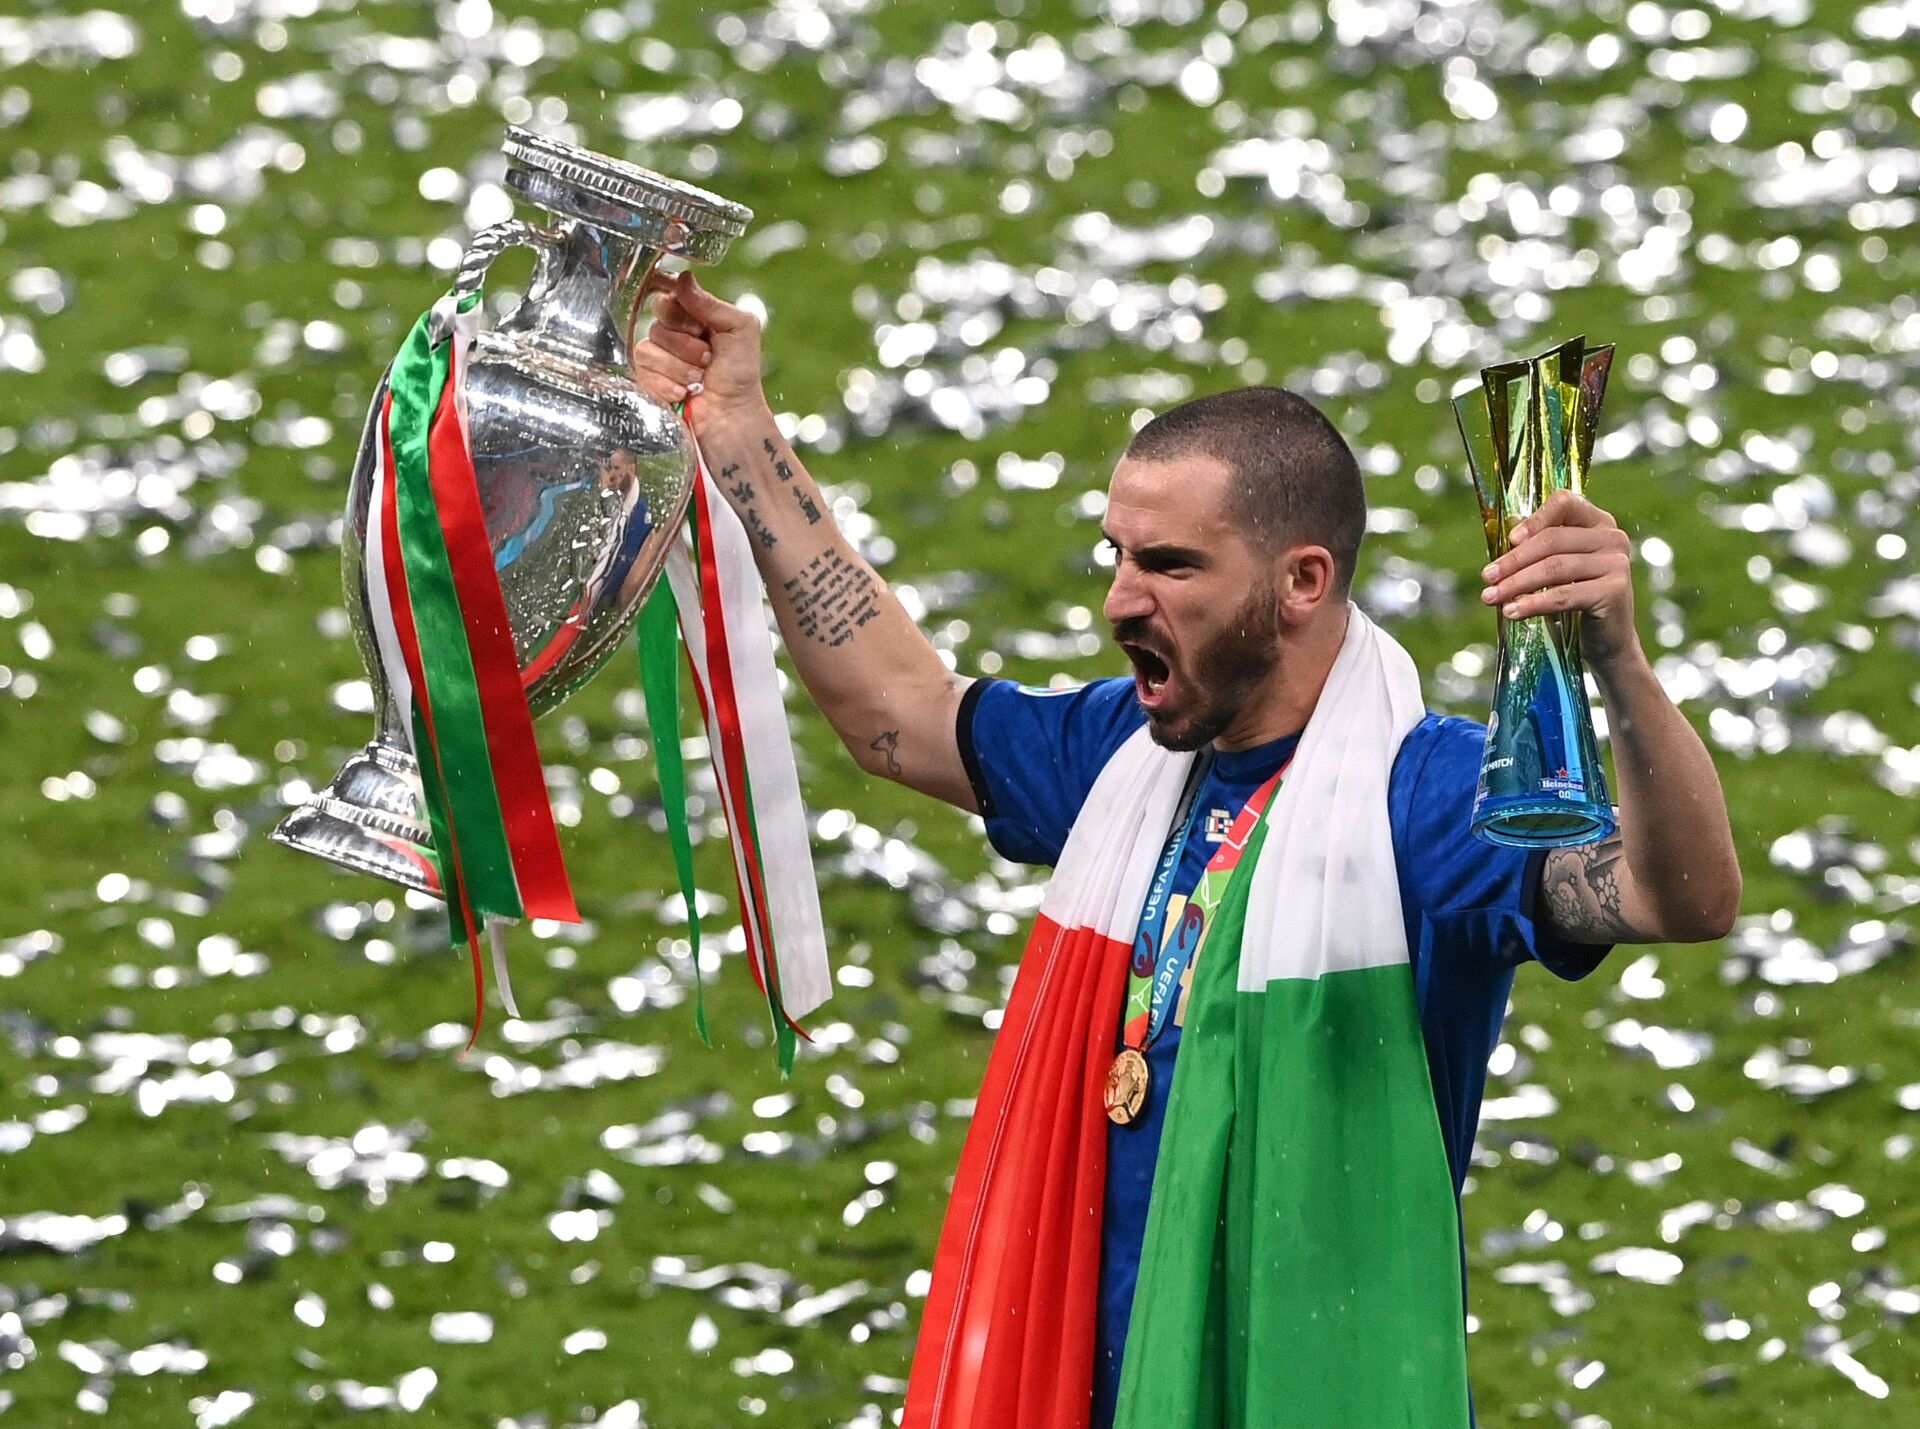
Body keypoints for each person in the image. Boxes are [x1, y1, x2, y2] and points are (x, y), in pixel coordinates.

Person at [630, 272, 1741, 1429]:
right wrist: (742, 437)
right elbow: (895, 713)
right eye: (1115, 553)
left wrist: (1618, 664)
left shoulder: (1424, 797)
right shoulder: (1128, 750)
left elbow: (1684, 895)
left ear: (1301, 582)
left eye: (1167, 565)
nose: (1118, 599)